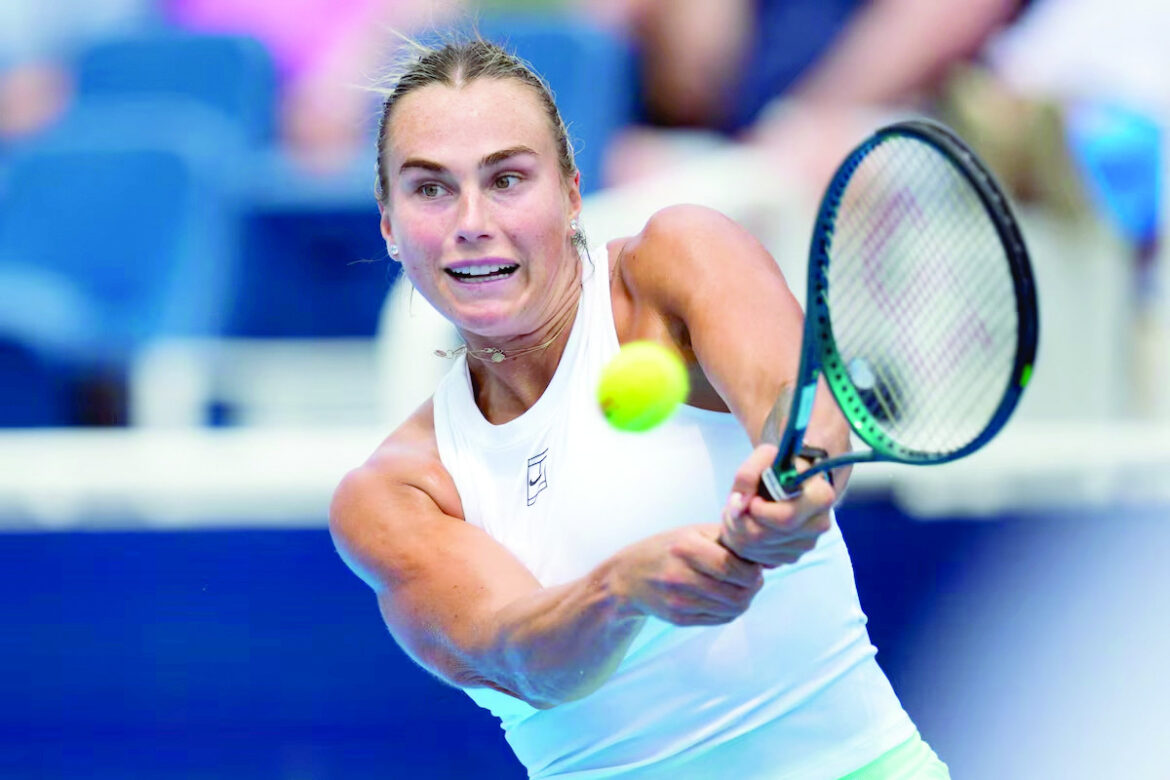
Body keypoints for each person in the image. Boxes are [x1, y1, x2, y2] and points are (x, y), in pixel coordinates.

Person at [330, 37, 950, 778]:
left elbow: (795, 406)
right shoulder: (397, 493)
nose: (471, 220)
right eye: (430, 188)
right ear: (390, 226)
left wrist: (798, 483)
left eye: (507, 179)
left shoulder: (676, 262)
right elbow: (518, 659)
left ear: (569, 194)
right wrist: (620, 589)